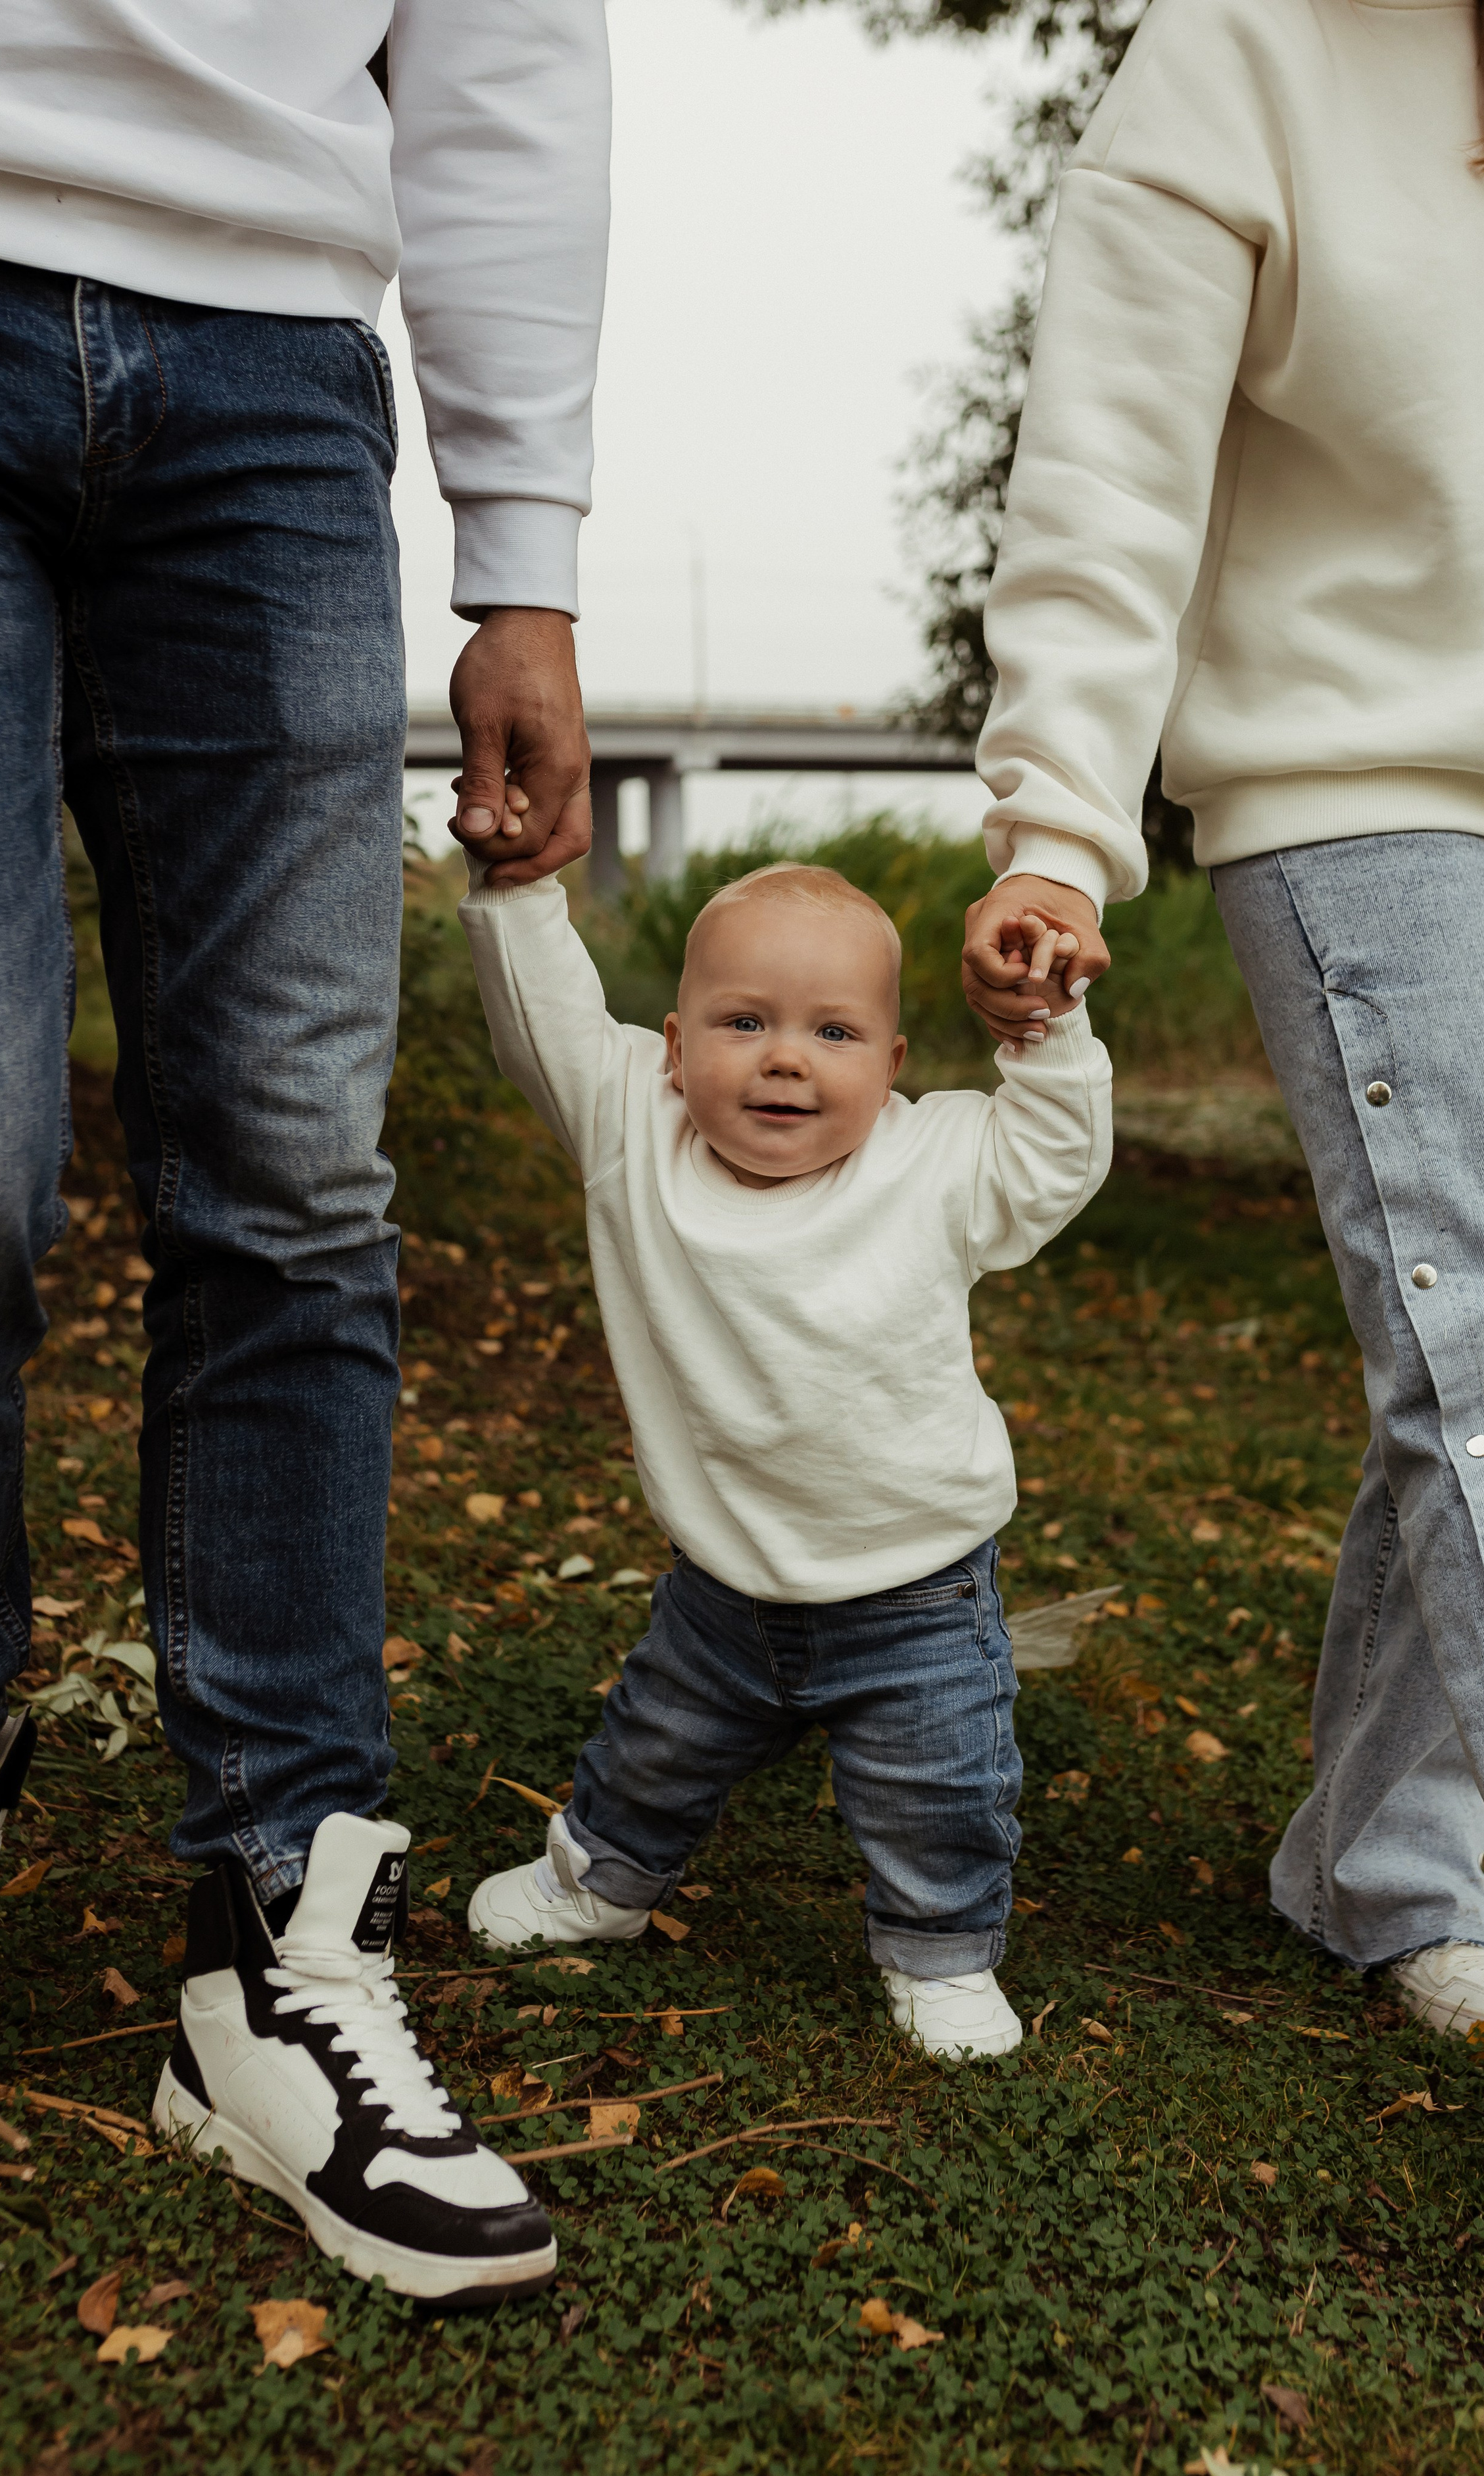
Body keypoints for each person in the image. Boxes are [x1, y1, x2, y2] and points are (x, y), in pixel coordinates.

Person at [0, 3, 608, 2299]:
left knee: (298, 1178)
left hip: (275, 376)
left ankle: (276, 1944)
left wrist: (523, 552)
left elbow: (515, 51)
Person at [966, 0, 1484, 2187]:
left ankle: (1379, 1851)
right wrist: (1060, 817)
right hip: (1353, 768)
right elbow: (1111, 459)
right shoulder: (1238, 49)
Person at [451, 858, 1112, 2056]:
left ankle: (942, 1952)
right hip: (723, 1591)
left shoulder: (936, 1164)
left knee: (941, 1792)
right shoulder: (630, 1136)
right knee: (653, 1747)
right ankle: (599, 1881)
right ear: (671, 1043)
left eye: (835, 1030)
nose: (786, 1056)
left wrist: (1046, 1024)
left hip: (917, 1591)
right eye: (743, 1021)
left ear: (895, 1063)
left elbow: (1057, 1157)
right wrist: (518, 888)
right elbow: (541, 1020)